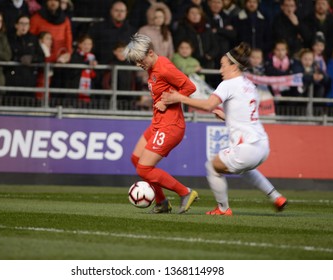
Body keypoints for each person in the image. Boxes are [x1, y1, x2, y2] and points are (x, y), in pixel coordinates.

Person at [161, 42, 288, 216]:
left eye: (222, 65)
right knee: (245, 170)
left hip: (247, 147)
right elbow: (245, 115)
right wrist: (226, 116)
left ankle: (223, 208)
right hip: (262, 146)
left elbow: (207, 105)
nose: (220, 70)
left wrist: (179, 97)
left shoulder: (228, 84)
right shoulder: (249, 85)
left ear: (234, 66)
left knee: (211, 166)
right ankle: (276, 197)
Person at [123, 33, 199, 214]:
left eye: (140, 60)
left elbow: (190, 87)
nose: (138, 65)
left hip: (170, 125)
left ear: (150, 53)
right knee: (136, 159)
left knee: (144, 168)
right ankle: (162, 202)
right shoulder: (152, 68)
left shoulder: (164, 68)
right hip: (158, 123)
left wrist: (166, 102)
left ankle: (185, 192)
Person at [5, 15, 43, 97]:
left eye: (26, 24)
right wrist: (18, 59)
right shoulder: (9, 38)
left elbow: (41, 56)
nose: (24, 26)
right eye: (22, 23)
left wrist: (32, 58)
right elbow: (6, 55)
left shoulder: (33, 39)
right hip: (12, 78)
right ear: (16, 25)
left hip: (29, 78)